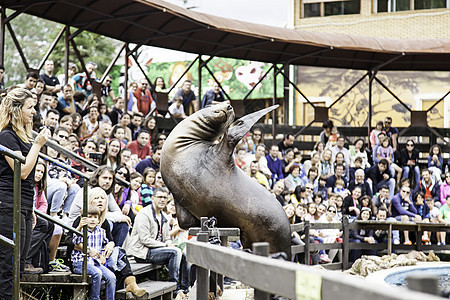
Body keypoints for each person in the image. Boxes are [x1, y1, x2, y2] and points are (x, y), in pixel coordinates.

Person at [0, 88, 51, 298]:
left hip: (24, 204)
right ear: (17, 110)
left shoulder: (25, 136)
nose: (34, 112)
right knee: (8, 266)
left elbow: (29, 181)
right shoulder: (6, 136)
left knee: (19, 265)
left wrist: (30, 209)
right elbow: (22, 172)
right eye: (30, 107)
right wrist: (38, 145)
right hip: (8, 204)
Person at [126, 187, 190, 297]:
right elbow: (144, 239)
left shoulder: (164, 216)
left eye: (165, 198)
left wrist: (171, 244)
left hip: (156, 250)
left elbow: (166, 238)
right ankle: (174, 288)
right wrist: (166, 245)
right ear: (152, 198)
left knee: (183, 253)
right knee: (174, 252)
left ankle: (184, 289)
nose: (162, 200)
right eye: (159, 197)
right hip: (142, 252)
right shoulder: (144, 214)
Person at [71, 205, 116, 300]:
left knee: (111, 276)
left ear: (99, 220)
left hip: (96, 263)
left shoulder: (101, 232)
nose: (92, 220)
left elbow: (105, 244)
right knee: (97, 273)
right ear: (83, 218)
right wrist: (79, 226)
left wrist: (103, 255)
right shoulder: (82, 231)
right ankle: (94, 298)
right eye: (89, 217)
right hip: (81, 263)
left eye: (95, 217)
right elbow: (74, 242)